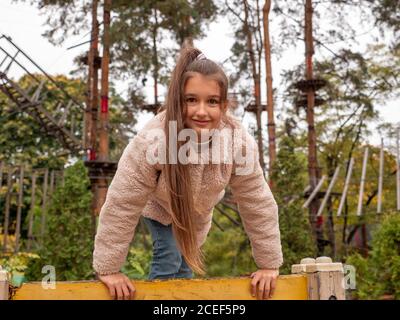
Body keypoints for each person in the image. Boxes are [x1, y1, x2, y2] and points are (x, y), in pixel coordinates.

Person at [93, 46, 283, 300]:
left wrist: (269, 264)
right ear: (178, 101)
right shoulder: (155, 138)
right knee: (170, 257)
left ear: (224, 105)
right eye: (191, 100)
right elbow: (122, 200)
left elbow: (257, 201)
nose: (201, 111)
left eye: (212, 101)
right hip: (160, 207)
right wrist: (109, 268)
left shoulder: (237, 142)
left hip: (197, 214)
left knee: (184, 267)